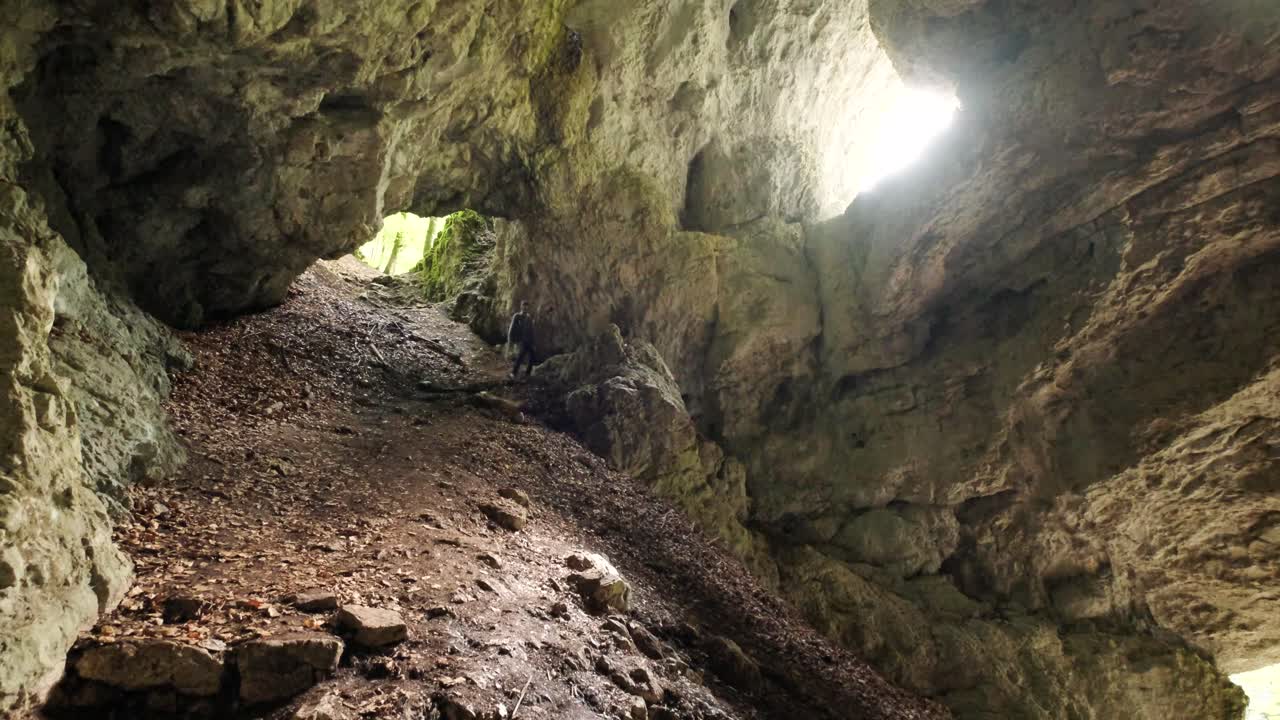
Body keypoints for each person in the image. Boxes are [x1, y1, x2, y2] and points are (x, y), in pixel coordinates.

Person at [507, 301, 537, 378]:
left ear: (528, 308)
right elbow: (511, 329)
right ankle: (513, 373)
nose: (525, 308)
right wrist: (511, 342)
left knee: (533, 356)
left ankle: (528, 373)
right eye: (524, 306)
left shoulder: (529, 317)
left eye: (527, 306)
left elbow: (532, 330)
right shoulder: (517, 316)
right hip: (522, 341)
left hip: (529, 341)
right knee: (520, 357)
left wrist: (533, 342)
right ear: (521, 306)